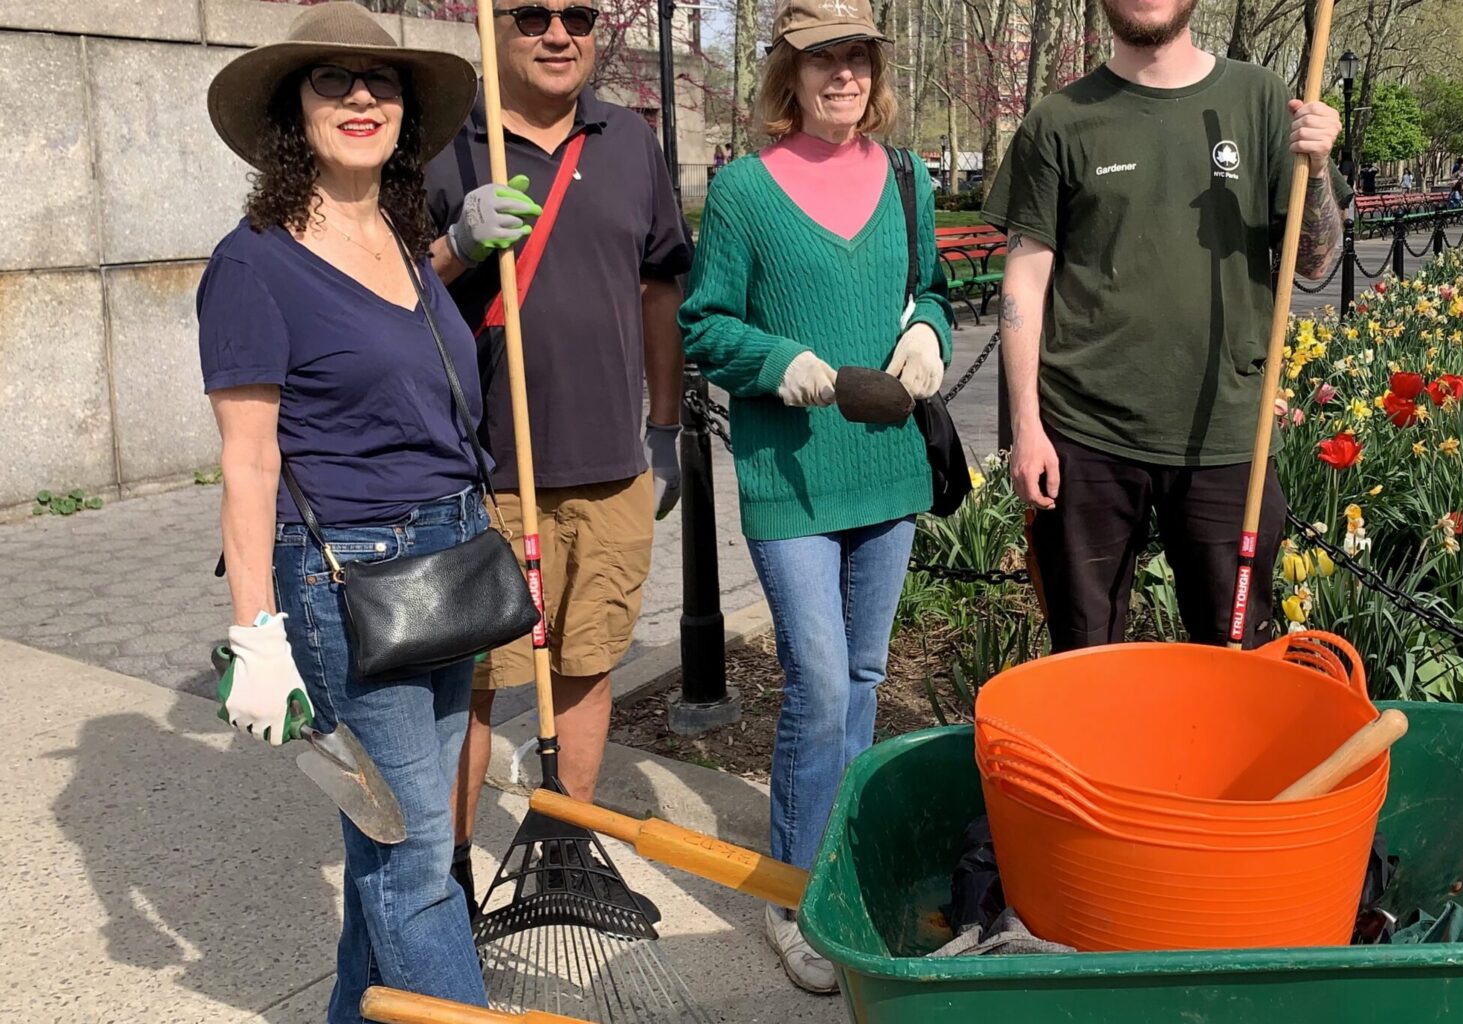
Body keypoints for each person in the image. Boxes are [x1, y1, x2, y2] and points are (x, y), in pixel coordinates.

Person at [196, 5, 490, 1020]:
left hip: (451, 565)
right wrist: (253, 641)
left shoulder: (401, 241)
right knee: (416, 864)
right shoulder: (255, 264)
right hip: (347, 584)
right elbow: (246, 464)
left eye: (383, 80)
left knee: (394, 843)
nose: (363, 97)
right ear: (294, 111)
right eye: (334, 80)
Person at [679, 0, 950, 994]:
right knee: (822, 682)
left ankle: (840, 863)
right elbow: (704, 326)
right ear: (784, 75)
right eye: (819, 58)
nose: (842, 74)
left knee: (868, 676)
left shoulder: (910, 178)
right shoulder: (746, 192)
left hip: (886, 469)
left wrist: (927, 331)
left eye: (857, 57)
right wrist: (775, 357)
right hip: (788, 474)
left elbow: (932, 292)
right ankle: (793, 894)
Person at [423, 0, 693, 915]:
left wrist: (665, 423)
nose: (556, 33)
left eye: (576, 14)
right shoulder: (442, 147)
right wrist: (454, 247)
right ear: (493, 31)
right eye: (532, 13)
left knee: (586, 661)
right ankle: (449, 874)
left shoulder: (627, 144)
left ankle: (565, 850)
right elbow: (385, 296)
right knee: (474, 685)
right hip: (487, 474)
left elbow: (660, 287)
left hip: (610, 466)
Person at [985, 0, 1344, 653]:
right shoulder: (1060, 121)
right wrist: (1028, 429)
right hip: (1084, 435)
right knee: (1086, 656)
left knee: (1234, 657)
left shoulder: (1258, 98)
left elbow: (1315, 263)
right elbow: (1025, 281)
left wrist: (1316, 172)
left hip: (1228, 430)